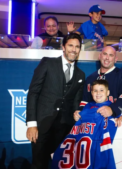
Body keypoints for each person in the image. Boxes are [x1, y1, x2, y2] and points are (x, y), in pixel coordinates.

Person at [26, 33, 85, 169]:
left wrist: (78, 113)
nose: (73, 49)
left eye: (77, 47)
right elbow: (33, 93)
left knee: (60, 165)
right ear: (63, 47)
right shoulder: (47, 63)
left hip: (64, 129)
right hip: (42, 126)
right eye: (70, 45)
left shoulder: (80, 74)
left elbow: (76, 103)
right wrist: (31, 124)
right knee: (38, 164)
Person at [53, 80, 117, 169]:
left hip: (102, 148)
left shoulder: (113, 107)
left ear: (108, 92)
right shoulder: (86, 108)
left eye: (101, 90)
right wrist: (77, 116)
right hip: (84, 151)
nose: (98, 93)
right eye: (95, 90)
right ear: (91, 93)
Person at [75, 46, 122, 120]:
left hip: (115, 120)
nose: (107, 58)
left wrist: (112, 109)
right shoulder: (90, 78)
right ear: (100, 56)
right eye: (105, 54)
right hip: (94, 121)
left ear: (116, 59)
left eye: (111, 55)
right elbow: (85, 101)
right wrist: (80, 112)